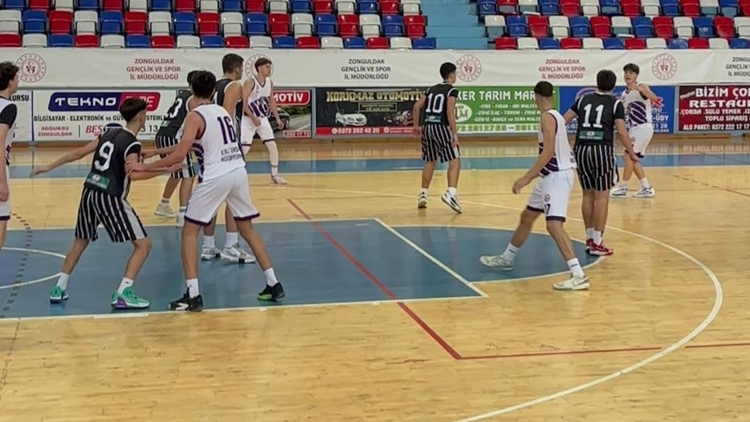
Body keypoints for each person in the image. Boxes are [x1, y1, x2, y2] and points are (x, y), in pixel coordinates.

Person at [127, 71, 285, 312]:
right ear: (213, 91)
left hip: (216, 176)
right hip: (238, 172)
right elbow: (196, 142)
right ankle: (273, 283)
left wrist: (145, 166)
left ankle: (193, 294)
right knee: (247, 229)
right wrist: (155, 152)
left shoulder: (194, 116)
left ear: (191, 89)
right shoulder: (222, 111)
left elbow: (181, 154)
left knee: (189, 232)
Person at [31, 98, 181, 308]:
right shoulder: (132, 143)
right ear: (141, 116)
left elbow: (79, 153)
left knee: (80, 241)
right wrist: (166, 170)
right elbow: (135, 174)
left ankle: (59, 287)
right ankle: (123, 292)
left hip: (90, 190)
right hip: (110, 196)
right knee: (144, 245)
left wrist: (48, 167)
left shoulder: (108, 133)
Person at [480, 81, 588, 291]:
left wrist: (526, 178)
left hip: (557, 176)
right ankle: (507, 257)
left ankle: (578, 275)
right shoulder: (557, 115)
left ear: (536, 97)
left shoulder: (547, 118)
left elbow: (548, 153)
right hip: (550, 175)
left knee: (553, 225)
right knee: (527, 216)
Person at [563, 70, 639, 256]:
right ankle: (597, 242)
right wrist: (632, 152)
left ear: (596, 83)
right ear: (613, 85)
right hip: (602, 150)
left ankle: (589, 238)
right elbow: (622, 133)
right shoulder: (615, 103)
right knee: (602, 197)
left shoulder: (583, 99)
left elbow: (563, 120)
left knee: (587, 195)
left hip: (581, 149)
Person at [200, 53, 255, 264]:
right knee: (235, 196)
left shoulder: (213, 87)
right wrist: (230, 144)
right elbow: (226, 115)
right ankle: (231, 245)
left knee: (210, 197)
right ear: (238, 68)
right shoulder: (234, 86)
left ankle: (208, 246)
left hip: (209, 147)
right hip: (226, 147)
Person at [411, 62, 462, 213]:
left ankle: (423, 194)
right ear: (452, 75)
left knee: (430, 160)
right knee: (455, 159)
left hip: (427, 127)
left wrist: (416, 126)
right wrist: (454, 133)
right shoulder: (452, 90)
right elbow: (449, 112)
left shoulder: (431, 89)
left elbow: (416, 107)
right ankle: (451, 194)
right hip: (441, 127)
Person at [152, 70, 200, 227]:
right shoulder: (192, 99)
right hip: (174, 136)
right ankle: (183, 215)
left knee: (178, 172)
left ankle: (163, 205)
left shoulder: (182, 95)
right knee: (188, 174)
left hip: (162, 134)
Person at [610, 63, 658, 199]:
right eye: (626, 72)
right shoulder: (624, 93)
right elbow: (621, 111)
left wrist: (639, 89)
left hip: (643, 127)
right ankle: (646, 187)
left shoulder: (642, 86)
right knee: (633, 158)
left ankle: (623, 187)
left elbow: (654, 98)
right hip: (634, 128)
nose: (628, 75)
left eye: (631, 73)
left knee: (628, 156)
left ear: (636, 75)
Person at [241, 57, 287, 185]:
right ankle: (234, 173)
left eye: (270, 67)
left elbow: (272, 101)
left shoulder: (269, 82)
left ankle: (275, 175)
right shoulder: (250, 82)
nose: (269, 69)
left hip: (263, 119)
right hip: (248, 119)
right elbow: (243, 103)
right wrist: (253, 117)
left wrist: (277, 118)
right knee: (244, 149)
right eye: (267, 67)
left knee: (272, 146)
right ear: (259, 68)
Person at [0, 62, 19, 256]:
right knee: (1, 222)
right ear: (10, 81)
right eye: (17, 78)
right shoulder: (8, 107)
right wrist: (2, 183)